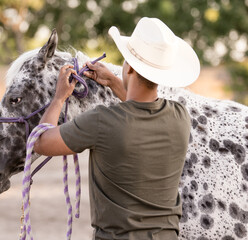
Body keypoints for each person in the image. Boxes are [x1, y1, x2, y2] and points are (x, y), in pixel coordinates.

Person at [34, 17, 200, 240]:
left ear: (129, 67)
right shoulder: (180, 116)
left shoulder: (102, 121)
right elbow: (142, 109)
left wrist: (59, 98)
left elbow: (42, 141)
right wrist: (113, 82)